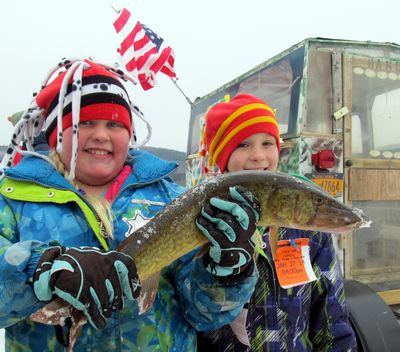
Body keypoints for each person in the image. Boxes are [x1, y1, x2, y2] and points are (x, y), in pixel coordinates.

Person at [0, 59, 260, 351]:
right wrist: (42, 268)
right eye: (85, 122)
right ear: (57, 132)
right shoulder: (13, 199)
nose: (101, 134)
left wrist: (226, 269)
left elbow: (204, 314)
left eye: (114, 123)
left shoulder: (173, 200)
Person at [195, 94, 358, 351]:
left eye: (267, 142)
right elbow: (195, 314)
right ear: (222, 157)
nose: (258, 156)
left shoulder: (307, 229)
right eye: (242, 145)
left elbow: (331, 317)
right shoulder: (206, 221)